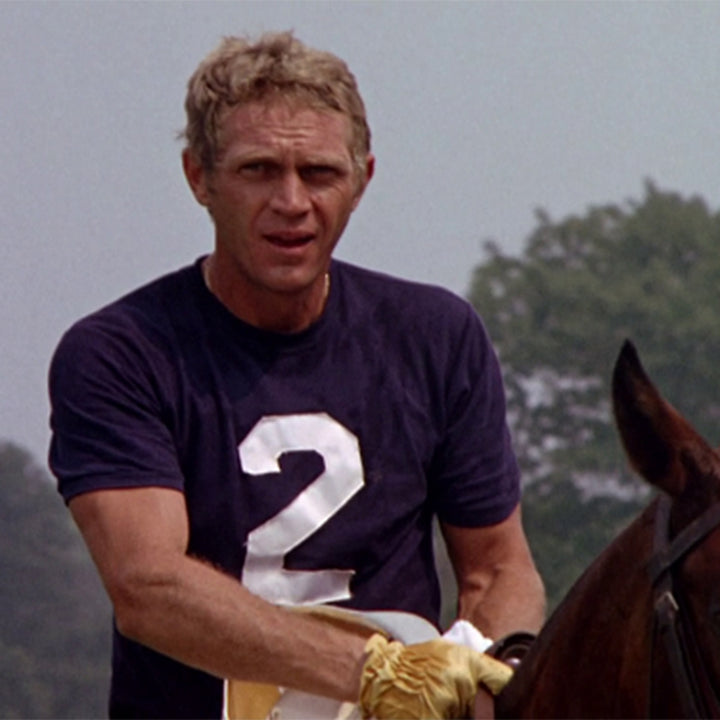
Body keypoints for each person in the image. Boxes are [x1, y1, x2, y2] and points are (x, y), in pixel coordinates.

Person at [48, 31, 545, 719]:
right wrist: (374, 674)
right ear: (198, 177)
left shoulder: (437, 336)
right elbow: (148, 587)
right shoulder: (120, 354)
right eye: (258, 170)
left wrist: (491, 671)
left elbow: (500, 569)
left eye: (319, 173)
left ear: (362, 180)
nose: (291, 201)